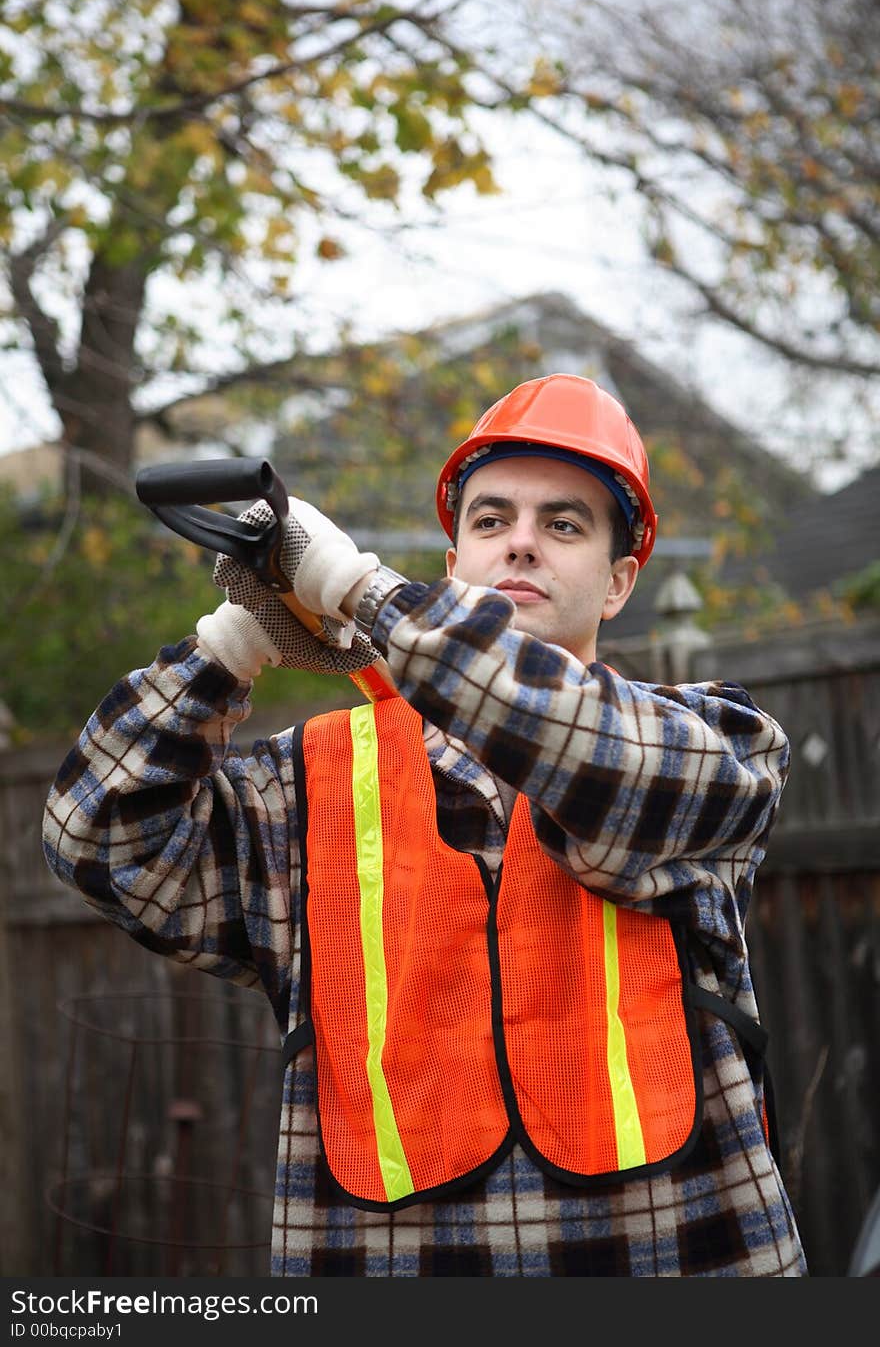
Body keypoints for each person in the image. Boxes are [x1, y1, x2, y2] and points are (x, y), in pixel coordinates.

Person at [42, 373, 807, 1277]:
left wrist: (357, 588)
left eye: (564, 524)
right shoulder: (305, 786)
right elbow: (96, 834)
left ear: (618, 582)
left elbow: (584, 753)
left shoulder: (716, 741)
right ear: (454, 568)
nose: (520, 543)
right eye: (490, 521)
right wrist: (239, 638)